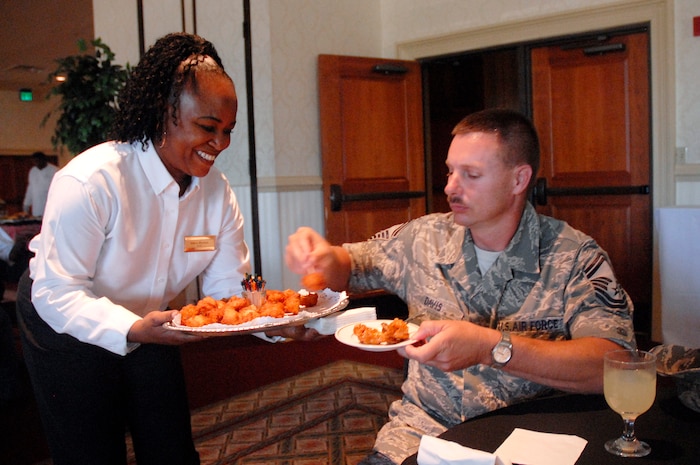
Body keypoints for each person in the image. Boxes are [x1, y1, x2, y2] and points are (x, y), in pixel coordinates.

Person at [285, 108, 637, 465]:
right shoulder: (423, 237)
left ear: (519, 180)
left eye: (471, 174)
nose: (451, 187)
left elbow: (615, 365)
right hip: (420, 434)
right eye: (451, 171)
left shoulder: (575, 256)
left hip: (526, 440)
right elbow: (351, 263)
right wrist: (328, 259)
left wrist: (492, 348)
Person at [16, 32, 249, 465]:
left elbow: (228, 292)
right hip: (63, 319)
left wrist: (277, 323)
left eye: (228, 131)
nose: (222, 144)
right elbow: (56, 291)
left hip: (151, 319)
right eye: (207, 128)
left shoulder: (216, 192)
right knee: (92, 453)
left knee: (170, 447)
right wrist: (130, 329)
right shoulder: (92, 181)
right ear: (166, 112)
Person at [22, 151, 58, 217]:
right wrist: (26, 204)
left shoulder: (54, 170)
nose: (36, 163)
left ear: (44, 160)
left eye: (38, 161)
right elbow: (30, 188)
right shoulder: (33, 171)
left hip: (50, 206)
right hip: (37, 207)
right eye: (34, 161)